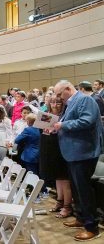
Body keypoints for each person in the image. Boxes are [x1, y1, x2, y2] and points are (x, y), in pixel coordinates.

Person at [53, 80, 103, 241]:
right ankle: (81, 218)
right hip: (73, 152)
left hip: (84, 152)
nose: (59, 98)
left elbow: (86, 121)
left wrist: (62, 125)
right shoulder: (72, 102)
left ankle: (92, 227)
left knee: (83, 190)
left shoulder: (85, 100)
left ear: (68, 88)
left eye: (60, 94)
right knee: (76, 189)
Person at [39, 95, 72, 218]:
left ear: (62, 104)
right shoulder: (46, 115)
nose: (55, 105)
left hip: (61, 150)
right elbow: (42, 132)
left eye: (58, 103)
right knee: (57, 178)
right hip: (49, 150)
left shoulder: (65, 116)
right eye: (52, 102)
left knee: (65, 180)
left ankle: (67, 207)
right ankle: (60, 201)